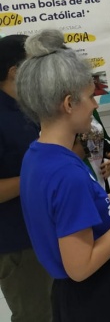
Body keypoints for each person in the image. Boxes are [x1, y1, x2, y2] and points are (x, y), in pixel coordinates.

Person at [16, 29, 110, 322]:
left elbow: (56, 214)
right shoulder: (66, 174)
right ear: (69, 103)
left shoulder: (38, 155)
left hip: (73, 295)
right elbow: (81, 267)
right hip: (98, 296)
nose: (95, 105)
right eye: (90, 97)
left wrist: (109, 198)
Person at [0, 34, 53, 322]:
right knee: (35, 315)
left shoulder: (24, 107)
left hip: (41, 232)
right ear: (15, 71)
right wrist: (37, 175)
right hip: (17, 245)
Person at [76, 109, 110, 191]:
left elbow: (104, 147)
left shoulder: (92, 114)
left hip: (102, 188)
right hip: (83, 188)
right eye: (91, 98)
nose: (96, 105)